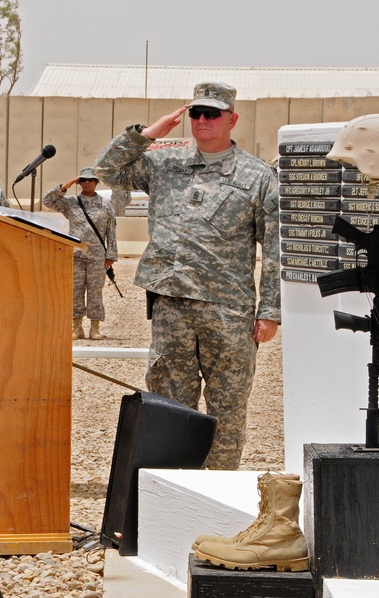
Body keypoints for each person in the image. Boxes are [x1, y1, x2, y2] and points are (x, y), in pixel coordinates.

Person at [95, 82, 280, 470]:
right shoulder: (166, 162)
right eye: (196, 113)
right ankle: (171, 499)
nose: (202, 120)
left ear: (232, 119)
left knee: (226, 409)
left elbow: (275, 247)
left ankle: (218, 497)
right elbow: (107, 170)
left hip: (228, 311)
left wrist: (270, 310)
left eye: (212, 113)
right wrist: (147, 135)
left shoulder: (257, 175)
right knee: (168, 408)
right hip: (171, 306)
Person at [43, 166, 118, 340]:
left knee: (95, 291)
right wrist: (66, 185)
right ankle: (77, 327)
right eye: (83, 180)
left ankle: (95, 327)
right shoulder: (71, 203)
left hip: (96, 255)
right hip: (75, 254)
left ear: (96, 182)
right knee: (75, 291)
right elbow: (48, 200)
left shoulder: (105, 205)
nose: (86, 183)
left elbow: (111, 231)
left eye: (90, 180)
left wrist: (111, 255)